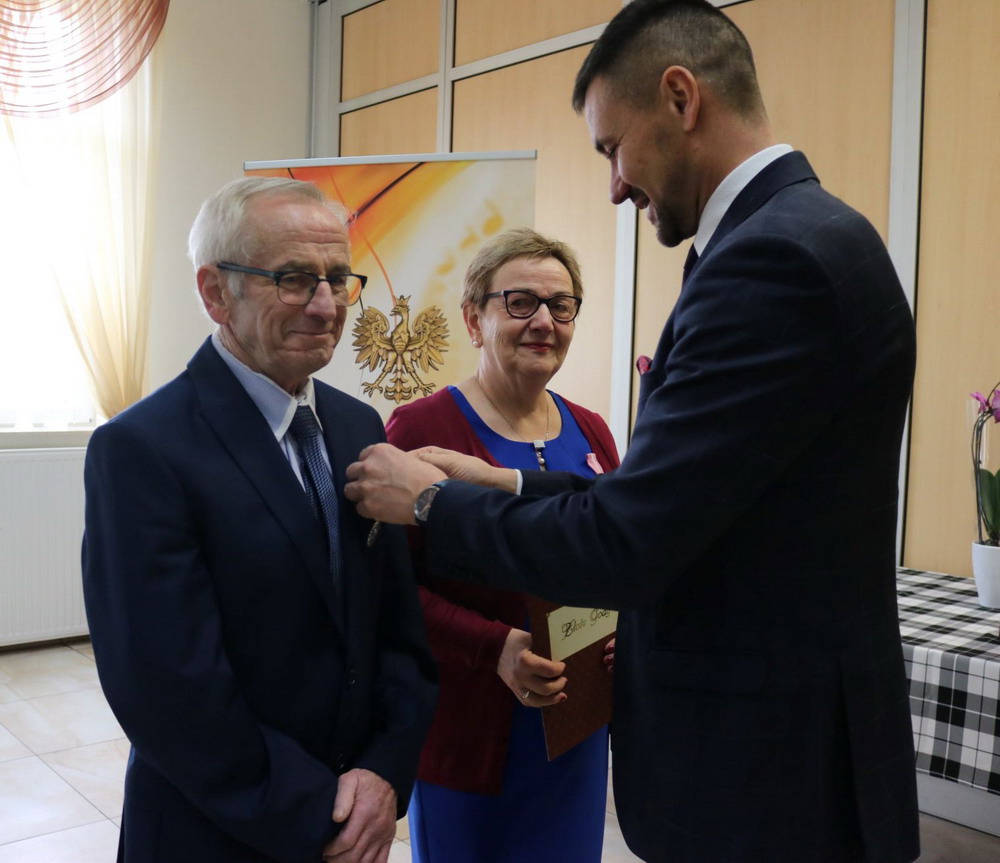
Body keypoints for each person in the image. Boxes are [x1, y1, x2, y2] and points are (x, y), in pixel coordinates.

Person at [344, 1, 920, 861]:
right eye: (519, 302)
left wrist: (431, 501)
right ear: (475, 316)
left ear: (681, 98)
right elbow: (694, 500)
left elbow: (627, 540)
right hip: (769, 751)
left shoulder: (770, 263)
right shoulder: (814, 234)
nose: (615, 185)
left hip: (764, 775)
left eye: (613, 147)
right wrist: (507, 482)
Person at [81, 176, 437, 863]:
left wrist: (383, 773)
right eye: (295, 279)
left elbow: (397, 627)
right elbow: (168, 689)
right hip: (216, 830)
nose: (327, 305)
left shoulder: (358, 425)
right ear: (216, 292)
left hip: (355, 811)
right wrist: (320, 814)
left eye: (339, 278)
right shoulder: (142, 450)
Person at [386, 228, 619, 863]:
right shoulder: (423, 429)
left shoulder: (592, 430)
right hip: (471, 732)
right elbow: (390, 591)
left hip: (575, 727)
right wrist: (497, 648)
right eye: (520, 302)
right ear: (473, 319)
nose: (544, 321)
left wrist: (628, 626)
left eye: (561, 305)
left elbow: (618, 556)